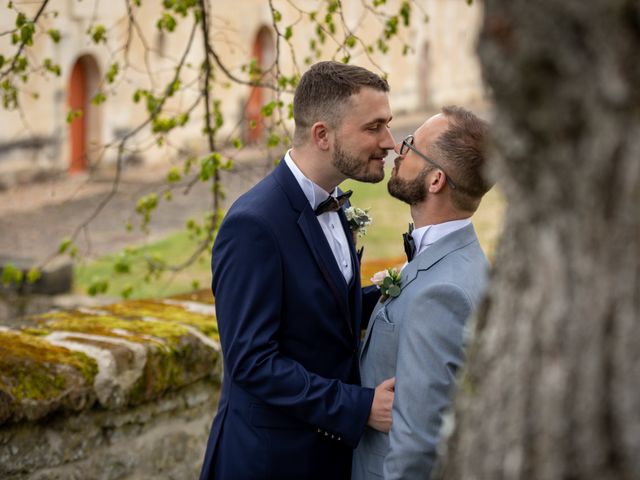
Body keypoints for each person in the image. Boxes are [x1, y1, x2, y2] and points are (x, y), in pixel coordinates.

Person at [199, 61, 397, 480]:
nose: (390, 142)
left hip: (323, 457)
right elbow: (252, 361)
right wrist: (358, 406)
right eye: (373, 127)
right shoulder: (253, 225)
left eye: (388, 125)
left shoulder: (332, 202)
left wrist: (397, 288)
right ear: (322, 135)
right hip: (269, 461)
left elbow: (318, 316)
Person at [352, 106, 492, 480]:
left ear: (435, 181)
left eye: (412, 146)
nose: (398, 148)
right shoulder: (465, 264)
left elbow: (416, 443)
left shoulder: (442, 293)